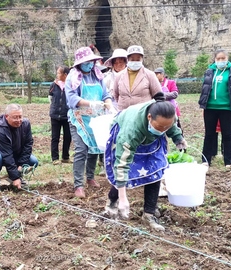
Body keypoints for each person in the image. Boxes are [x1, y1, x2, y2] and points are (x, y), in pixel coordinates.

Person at [104, 93, 187, 231]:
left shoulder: (167, 116)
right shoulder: (130, 132)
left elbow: (170, 126)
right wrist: (123, 198)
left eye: (166, 127)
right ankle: (112, 201)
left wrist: (178, 138)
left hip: (150, 137)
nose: (163, 130)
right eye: (160, 127)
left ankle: (149, 213)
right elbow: (122, 163)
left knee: (155, 169)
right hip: (125, 129)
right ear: (149, 118)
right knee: (128, 170)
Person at [65, 46, 113, 198]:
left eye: (92, 61)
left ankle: (90, 177)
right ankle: (78, 185)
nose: (90, 64)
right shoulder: (73, 77)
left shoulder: (97, 76)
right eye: (87, 62)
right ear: (79, 63)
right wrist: (90, 103)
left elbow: (105, 94)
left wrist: (109, 105)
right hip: (78, 117)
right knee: (81, 149)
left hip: (96, 118)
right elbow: (72, 99)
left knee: (94, 148)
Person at [198, 49, 231, 167]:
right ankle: (205, 160)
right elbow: (205, 87)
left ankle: (229, 161)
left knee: (227, 134)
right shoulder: (209, 71)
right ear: (215, 60)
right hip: (210, 107)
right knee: (209, 134)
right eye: (218, 59)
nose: (221, 61)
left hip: (226, 108)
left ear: (227, 59)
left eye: (223, 59)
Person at [0, 104, 38, 194]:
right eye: (15, 117)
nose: (18, 120)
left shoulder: (26, 124)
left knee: (33, 161)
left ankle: (13, 177)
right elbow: (7, 155)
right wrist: (15, 177)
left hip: (16, 152)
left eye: (20, 117)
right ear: (7, 117)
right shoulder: (0, 131)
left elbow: (28, 145)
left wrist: (21, 165)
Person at [112, 45, 161, 111]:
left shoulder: (150, 75)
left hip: (143, 115)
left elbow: (159, 96)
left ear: (142, 59)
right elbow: (116, 95)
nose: (135, 62)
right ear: (128, 59)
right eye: (132, 59)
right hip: (123, 114)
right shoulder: (119, 76)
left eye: (138, 59)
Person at [49, 66, 72, 165]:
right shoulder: (53, 85)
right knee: (55, 137)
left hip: (67, 116)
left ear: (65, 75)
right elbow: (50, 98)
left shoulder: (71, 85)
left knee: (68, 136)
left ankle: (65, 157)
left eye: (59, 73)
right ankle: (55, 158)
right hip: (55, 116)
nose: (57, 75)